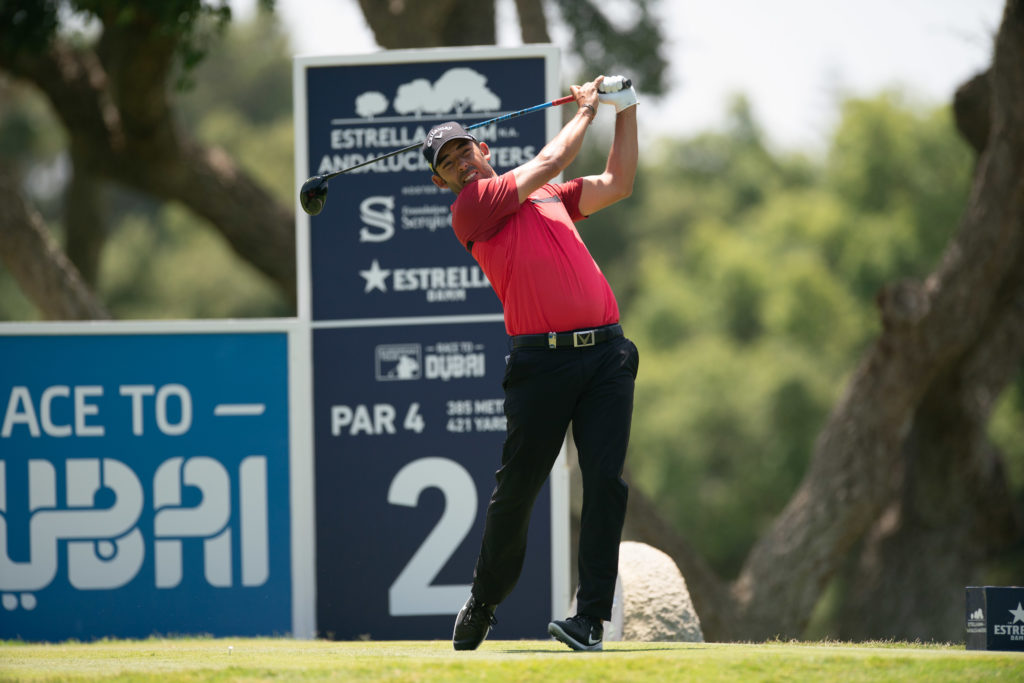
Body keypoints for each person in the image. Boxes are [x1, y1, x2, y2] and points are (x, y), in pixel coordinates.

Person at [421, 75, 639, 652]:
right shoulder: (473, 208)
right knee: (517, 489)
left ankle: (589, 619)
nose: (461, 163)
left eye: (464, 149)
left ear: (483, 148)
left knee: (605, 483)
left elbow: (617, 184)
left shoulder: (544, 193)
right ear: (441, 181)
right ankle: (485, 601)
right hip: (542, 366)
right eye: (447, 162)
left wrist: (626, 109)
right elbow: (550, 158)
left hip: (607, 356)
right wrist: (588, 111)